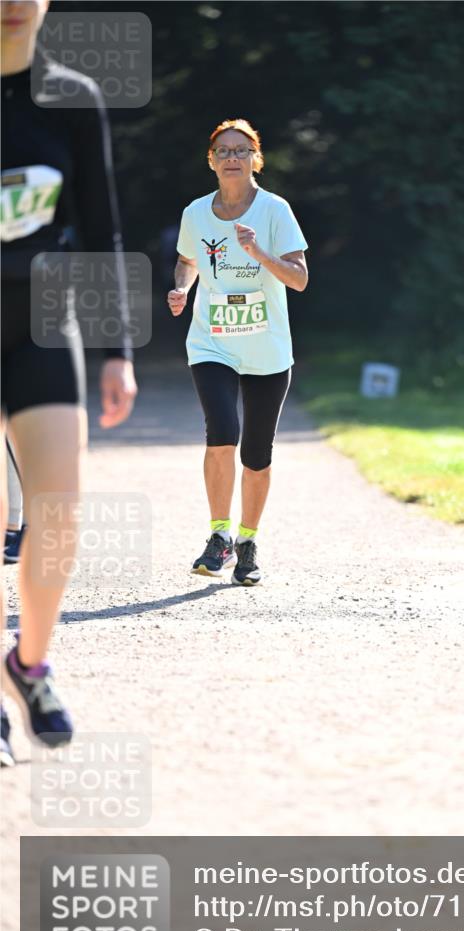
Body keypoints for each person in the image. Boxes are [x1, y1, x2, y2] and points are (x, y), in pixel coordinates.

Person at [1, 0, 138, 767]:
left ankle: (29, 665)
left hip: (45, 325)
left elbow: (101, 228)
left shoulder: (73, 99)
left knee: (57, 516)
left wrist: (117, 349)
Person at [168, 118, 308, 586]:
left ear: (255, 160)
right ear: (211, 161)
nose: (232, 157)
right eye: (224, 151)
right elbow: (187, 260)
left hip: (267, 349)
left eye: (241, 150)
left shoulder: (275, 210)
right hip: (212, 342)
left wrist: (260, 254)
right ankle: (219, 536)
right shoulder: (195, 213)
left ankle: (247, 542)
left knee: (256, 454)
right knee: (222, 432)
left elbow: (299, 279)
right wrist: (182, 288)